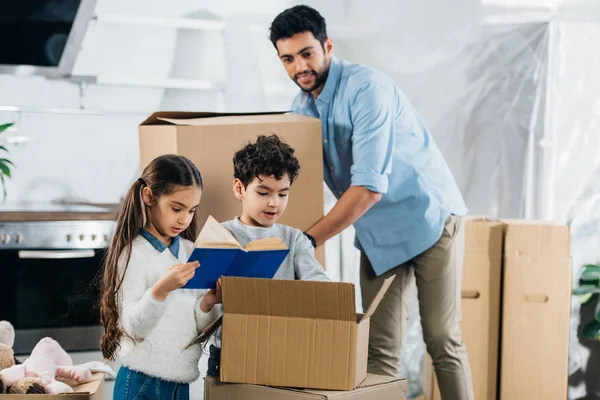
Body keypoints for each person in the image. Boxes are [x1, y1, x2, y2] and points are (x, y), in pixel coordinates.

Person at [269, 5, 474, 400]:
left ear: (327, 45)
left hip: (428, 217)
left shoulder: (367, 89)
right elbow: (302, 185)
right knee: (378, 350)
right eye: (288, 59)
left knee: (442, 339)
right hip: (378, 233)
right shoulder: (300, 109)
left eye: (307, 53)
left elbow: (368, 188)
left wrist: (306, 242)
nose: (300, 67)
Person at [206, 134, 330, 377]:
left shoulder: (294, 240)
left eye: (283, 194)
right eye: (263, 193)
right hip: (229, 352)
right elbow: (198, 302)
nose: (274, 203)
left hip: (282, 348)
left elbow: (320, 286)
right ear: (239, 188)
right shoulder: (220, 235)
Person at [99, 154, 222, 400]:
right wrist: (160, 291)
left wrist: (208, 303)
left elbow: (195, 325)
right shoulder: (133, 254)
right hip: (140, 381)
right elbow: (132, 327)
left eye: (191, 210)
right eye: (176, 208)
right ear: (148, 197)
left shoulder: (190, 251)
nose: (184, 219)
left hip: (179, 384)